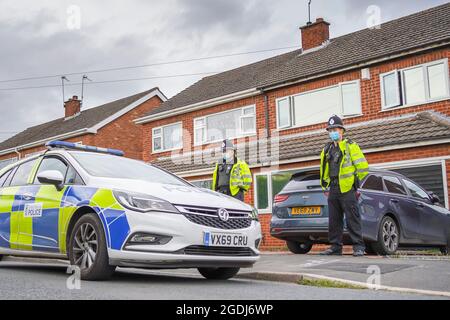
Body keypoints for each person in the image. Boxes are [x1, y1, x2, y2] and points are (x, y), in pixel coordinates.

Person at [319, 115, 369, 257]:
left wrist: (356, 184)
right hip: (333, 188)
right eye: (330, 130)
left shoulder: (351, 146)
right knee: (334, 220)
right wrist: (325, 186)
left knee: (353, 218)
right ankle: (335, 247)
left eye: (335, 129)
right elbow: (324, 169)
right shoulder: (327, 149)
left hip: (347, 188)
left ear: (341, 130)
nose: (332, 132)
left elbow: (363, 167)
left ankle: (358, 247)